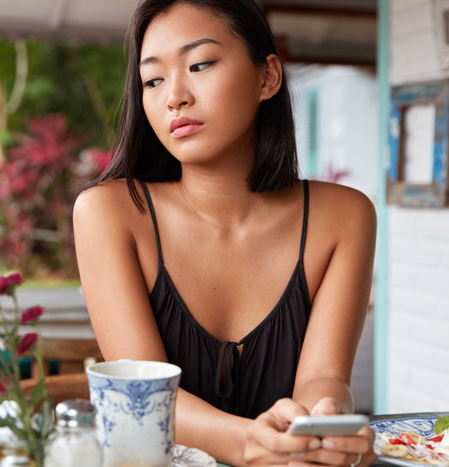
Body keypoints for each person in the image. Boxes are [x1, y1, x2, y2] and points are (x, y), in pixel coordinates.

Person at [72, 0, 377, 465]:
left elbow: (324, 377)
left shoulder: (344, 216)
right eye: (153, 79)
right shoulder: (110, 213)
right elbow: (144, 397)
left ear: (267, 77)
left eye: (199, 64)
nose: (174, 95)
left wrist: (320, 427)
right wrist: (253, 443)